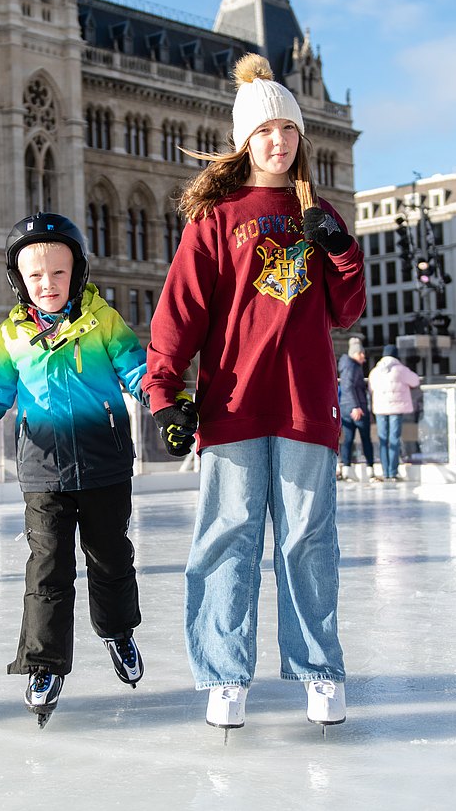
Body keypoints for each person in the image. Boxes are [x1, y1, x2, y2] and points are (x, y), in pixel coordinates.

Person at [144, 53, 365, 736]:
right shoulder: (217, 217)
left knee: (307, 541)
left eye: (288, 130)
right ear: (246, 140)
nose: (278, 141)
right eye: (265, 130)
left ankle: (319, 669)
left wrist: (341, 251)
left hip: (305, 406)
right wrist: (164, 392)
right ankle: (223, 674)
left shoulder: (317, 213)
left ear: (301, 140)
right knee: (226, 541)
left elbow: (347, 310)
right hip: (233, 406)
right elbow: (180, 312)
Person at [0, 213, 151, 727]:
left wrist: (171, 406)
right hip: (43, 471)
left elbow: (138, 371)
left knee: (110, 557)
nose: (48, 284)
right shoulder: (11, 336)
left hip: (105, 464)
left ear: (78, 273)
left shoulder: (103, 320)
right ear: (19, 281)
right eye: (36, 276)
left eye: (59, 273)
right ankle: (43, 664)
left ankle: (117, 630)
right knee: (48, 568)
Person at [368, 345, 421, 482]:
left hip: (380, 408)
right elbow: (415, 380)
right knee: (394, 439)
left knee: (383, 439)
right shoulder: (400, 369)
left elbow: (371, 387)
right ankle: (393, 472)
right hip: (396, 408)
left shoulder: (375, 371)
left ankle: (385, 471)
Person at [337, 337, 379, 483]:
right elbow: (348, 387)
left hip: (347, 407)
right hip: (356, 409)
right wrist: (356, 406)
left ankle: (347, 470)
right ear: (355, 353)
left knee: (348, 440)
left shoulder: (348, 365)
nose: (364, 358)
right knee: (365, 440)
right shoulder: (352, 367)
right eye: (361, 354)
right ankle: (369, 470)